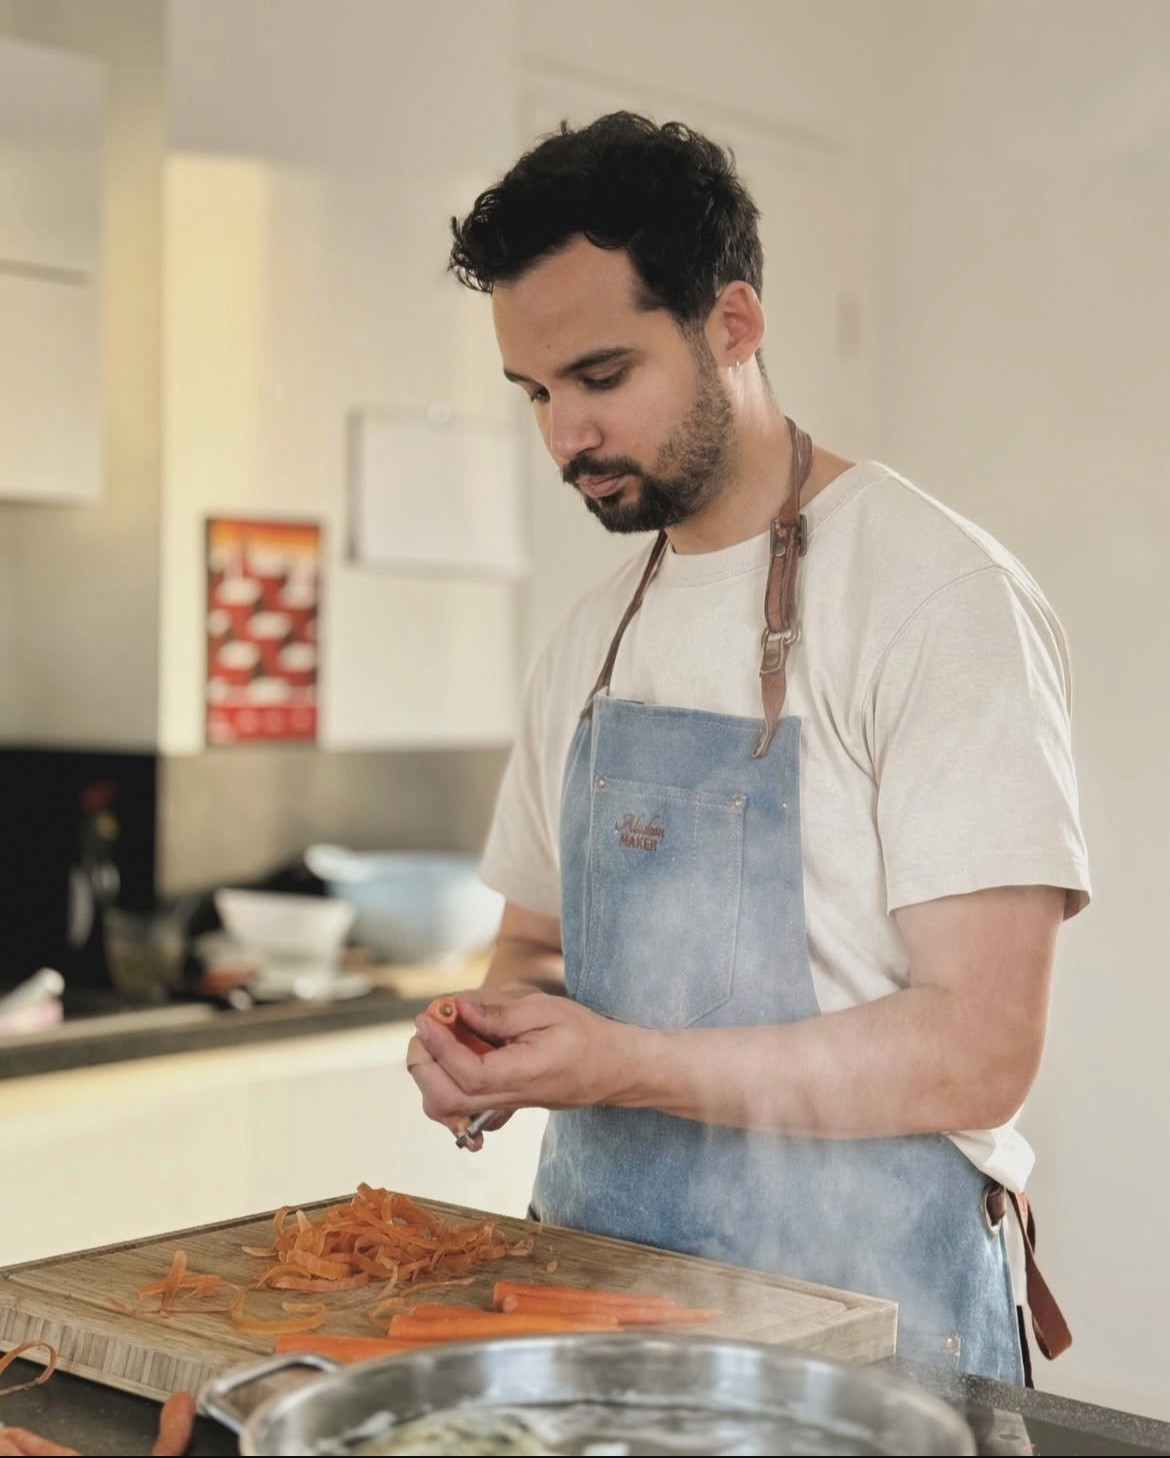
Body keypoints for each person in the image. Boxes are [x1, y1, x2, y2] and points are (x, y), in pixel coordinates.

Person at [406, 111, 1091, 1385]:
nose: (564, 437)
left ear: (733, 324)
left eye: (602, 378)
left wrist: (627, 1067)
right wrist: (491, 1042)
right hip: (596, 1318)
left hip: (872, 1338)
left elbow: (983, 1043)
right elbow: (538, 942)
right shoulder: (592, 638)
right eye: (536, 394)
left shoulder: (935, 599)